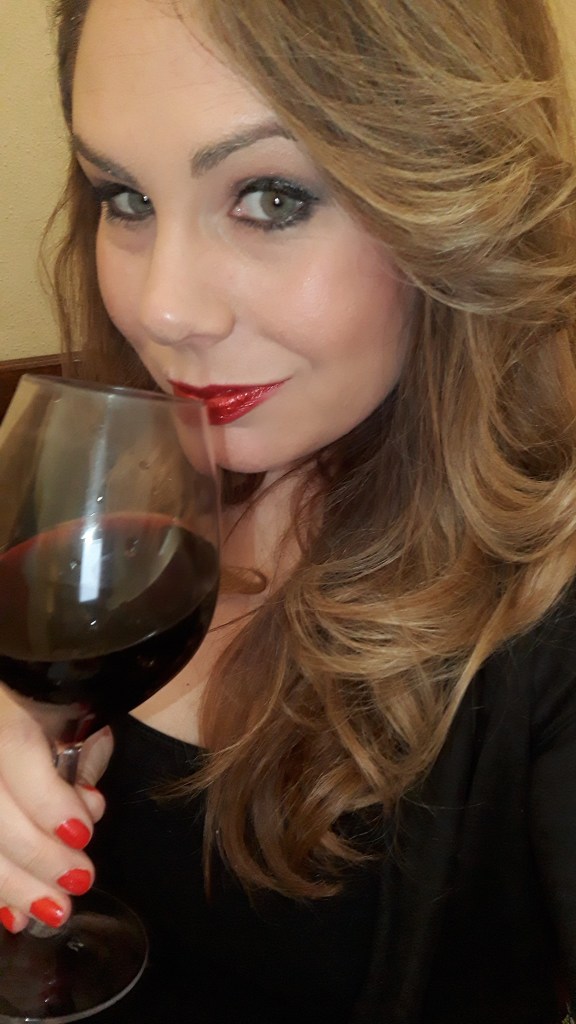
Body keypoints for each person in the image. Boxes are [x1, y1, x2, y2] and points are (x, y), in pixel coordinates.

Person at [1, 0, 576, 1019]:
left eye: (271, 198)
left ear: (452, 199)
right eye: (124, 197)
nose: (165, 308)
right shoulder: (91, 483)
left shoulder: (551, 622)